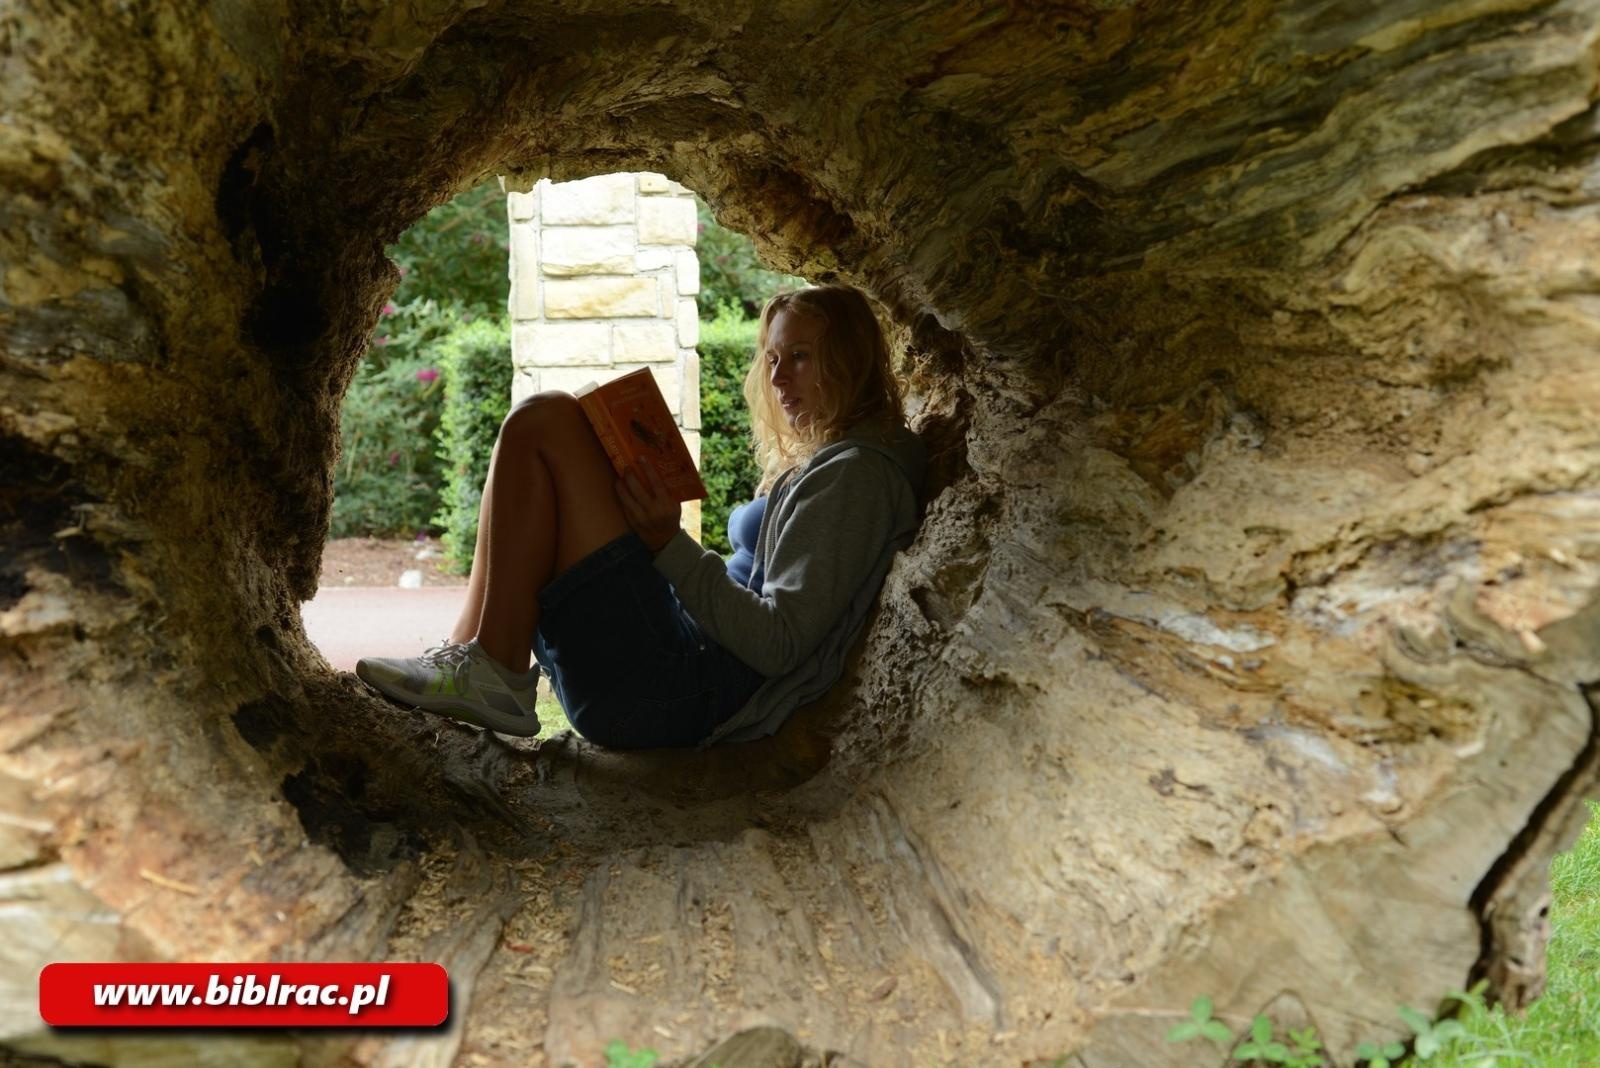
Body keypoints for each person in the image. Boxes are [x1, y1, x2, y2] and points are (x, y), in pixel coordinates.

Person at [356, 283, 926, 749]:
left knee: (543, 422)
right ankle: (475, 656)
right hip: (683, 657)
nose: (777, 380)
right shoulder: (841, 461)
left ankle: (492, 672)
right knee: (543, 430)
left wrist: (667, 543)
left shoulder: (858, 476)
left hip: (681, 691)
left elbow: (779, 643)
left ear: (849, 360)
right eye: (773, 359)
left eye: (800, 358)